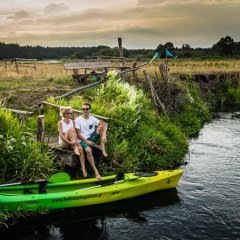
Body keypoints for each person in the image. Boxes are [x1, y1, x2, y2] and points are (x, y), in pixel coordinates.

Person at [75, 103, 108, 180]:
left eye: (87, 109)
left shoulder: (92, 118)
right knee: (88, 150)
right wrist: (87, 141)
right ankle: (96, 172)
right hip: (82, 139)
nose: (85, 110)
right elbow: (78, 134)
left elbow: (105, 124)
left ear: (90, 110)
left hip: (91, 137)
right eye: (83, 109)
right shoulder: (78, 120)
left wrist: (104, 135)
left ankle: (103, 149)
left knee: (101, 126)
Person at [58, 107, 86, 178]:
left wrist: (76, 143)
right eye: (70, 113)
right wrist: (70, 143)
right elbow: (61, 136)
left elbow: (75, 134)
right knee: (71, 129)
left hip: (72, 142)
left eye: (72, 113)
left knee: (80, 148)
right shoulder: (60, 123)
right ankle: (75, 147)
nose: (72, 114)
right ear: (65, 114)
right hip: (64, 143)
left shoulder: (72, 122)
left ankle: (83, 168)